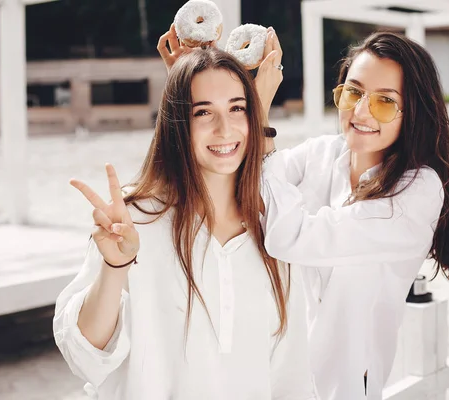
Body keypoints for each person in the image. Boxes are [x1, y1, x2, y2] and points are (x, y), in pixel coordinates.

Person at [53, 48, 318, 400]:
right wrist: (115, 265)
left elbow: (291, 375)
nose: (225, 128)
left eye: (237, 108)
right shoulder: (135, 220)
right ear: (177, 124)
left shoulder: (276, 231)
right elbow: (85, 354)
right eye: (203, 112)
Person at [258, 32, 449, 400]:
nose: (360, 112)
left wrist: (261, 115)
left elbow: (289, 236)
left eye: (385, 102)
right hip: (275, 379)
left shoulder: (418, 191)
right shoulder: (320, 155)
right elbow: (246, 183)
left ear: (413, 113)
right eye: (353, 92)